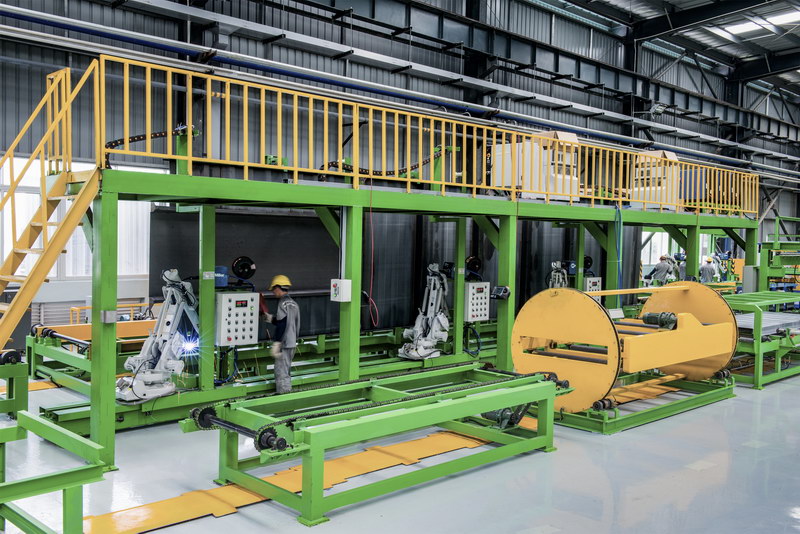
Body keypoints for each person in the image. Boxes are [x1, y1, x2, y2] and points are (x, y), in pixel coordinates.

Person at [265, 275, 301, 394]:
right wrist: (271, 319)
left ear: (278, 287)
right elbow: (288, 322)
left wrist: (277, 342)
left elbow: (282, 325)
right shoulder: (293, 303)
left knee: (281, 372)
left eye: (273, 289)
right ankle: (286, 395)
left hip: (284, 343)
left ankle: (284, 397)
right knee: (286, 370)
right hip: (292, 342)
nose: (273, 292)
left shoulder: (282, 303)